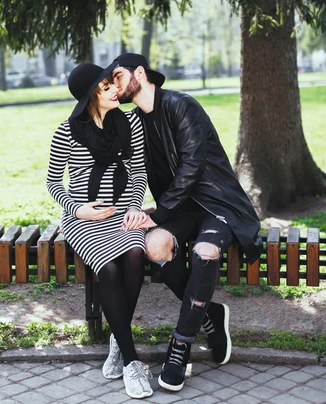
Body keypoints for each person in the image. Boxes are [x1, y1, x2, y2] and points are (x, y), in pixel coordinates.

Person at [111, 53, 263, 393]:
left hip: (216, 203)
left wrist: (159, 213)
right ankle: (209, 315)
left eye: (118, 76)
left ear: (140, 73)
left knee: (205, 251)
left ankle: (180, 346)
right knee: (153, 244)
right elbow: (120, 161)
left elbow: (192, 166)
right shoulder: (134, 121)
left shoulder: (181, 105)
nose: (115, 85)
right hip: (180, 208)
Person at [46, 61, 153, 399]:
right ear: (92, 94)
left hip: (123, 214)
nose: (115, 89)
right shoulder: (67, 130)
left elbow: (138, 173)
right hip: (83, 219)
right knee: (107, 268)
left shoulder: (130, 123)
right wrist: (78, 209)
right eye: (107, 85)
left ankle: (118, 340)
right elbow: (52, 183)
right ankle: (132, 362)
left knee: (136, 254)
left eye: (113, 84)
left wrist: (135, 206)